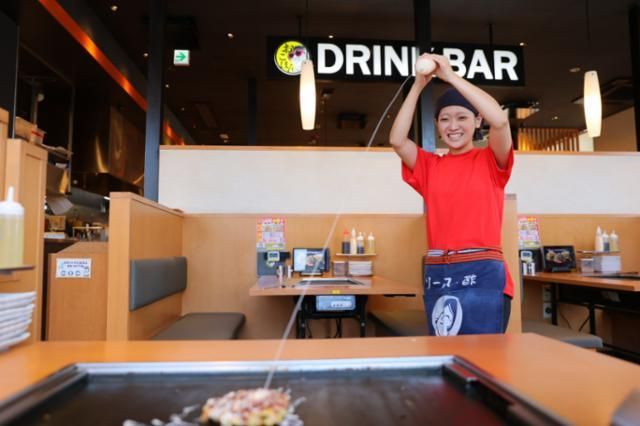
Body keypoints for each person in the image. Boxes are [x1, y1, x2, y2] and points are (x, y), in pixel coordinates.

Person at [389, 53, 514, 336]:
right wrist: (418, 85)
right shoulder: (429, 167)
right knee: (446, 356)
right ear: (437, 124)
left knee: (484, 358)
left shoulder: (491, 160)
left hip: (484, 276)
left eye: (462, 117)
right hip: (441, 275)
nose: (453, 126)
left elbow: (500, 122)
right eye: (444, 119)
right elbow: (397, 140)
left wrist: (450, 77)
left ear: (477, 120)